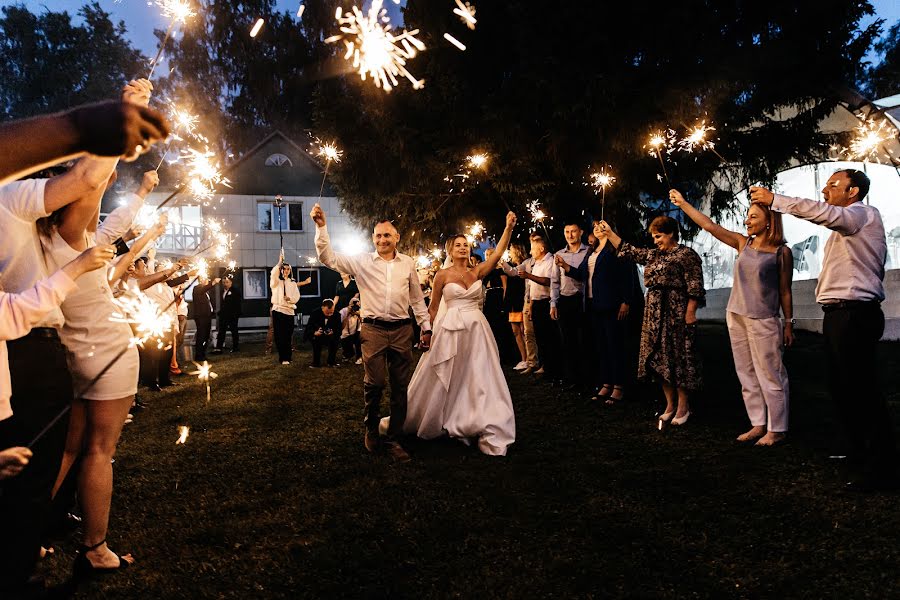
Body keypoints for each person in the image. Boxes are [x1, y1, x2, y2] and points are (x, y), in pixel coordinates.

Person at [0, 80, 164, 594]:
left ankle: (35, 538)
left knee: (57, 451)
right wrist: (128, 109)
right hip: (80, 350)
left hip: (52, 351)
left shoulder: (56, 237)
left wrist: (137, 197)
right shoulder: (58, 229)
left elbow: (102, 204)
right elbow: (92, 179)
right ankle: (89, 545)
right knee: (95, 450)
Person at [751, 171, 898, 490]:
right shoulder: (847, 226)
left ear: (853, 191)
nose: (825, 189)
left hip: (855, 315)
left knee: (861, 389)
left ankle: (883, 466)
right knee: (841, 387)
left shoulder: (862, 214)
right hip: (839, 315)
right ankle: (860, 452)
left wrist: (777, 201)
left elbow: (824, 213)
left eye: (833, 185)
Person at [387, 212, 518, 456]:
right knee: (448, 374)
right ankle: (440, 415)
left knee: (478, 374)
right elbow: (433, 307)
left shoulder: (477, 272)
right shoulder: (442, 276)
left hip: (477, 330)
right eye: (458, 245)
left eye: (465, 245)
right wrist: (426, 332)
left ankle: (476, 417)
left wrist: (508, 228)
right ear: (450, 250)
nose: (462, 248)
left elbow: (498, 254)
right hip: (450, 329)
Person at [671, 189, 793, 446]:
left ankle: (777, 428)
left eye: (753, 217)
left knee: (770, 373)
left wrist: (789, 323)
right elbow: (709, 226)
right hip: (735, 315)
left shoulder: (781, 252)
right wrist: (683, 203)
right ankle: (758, 423)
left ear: (769, 220)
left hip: (764, 318)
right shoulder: (742, 243)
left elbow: (784, 290)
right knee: (746, 372)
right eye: (747, 217)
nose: (747, 221)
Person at [311, 204, 431, 462]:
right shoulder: (362, 262)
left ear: (396, 238)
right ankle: (371, 427)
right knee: (375, 383)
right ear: (373, 238)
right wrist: (321, 227)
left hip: (402, 330)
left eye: (387, 235)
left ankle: (394, 439)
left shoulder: (408, 263)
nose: (382, 239)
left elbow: (417, 298)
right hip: (373, 330)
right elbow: (328, 257)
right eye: (377, 235)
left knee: (400, 388)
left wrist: (426, 326)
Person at [598, 217, 705, 425]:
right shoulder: (654, 255)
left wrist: (690, 312)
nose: (655, 241)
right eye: (654, 237)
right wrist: (610, 233)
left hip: (676, 312)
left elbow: (695, 285)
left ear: (671, 233)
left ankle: (684, 407)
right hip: (654, 314)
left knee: (678, 357)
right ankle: (669, 405)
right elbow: (629, 251)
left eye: (659, 236)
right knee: (658, 359)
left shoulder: (686, 255)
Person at [558, 220, 636, 404]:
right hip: (593, 305)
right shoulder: (592, 252)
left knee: (614, 345)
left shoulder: (614, 250)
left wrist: (626, 301)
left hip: (611, 304)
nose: (597, 229)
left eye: (601, 226)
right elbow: (582, 274)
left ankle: (619, 386)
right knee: (601, 346)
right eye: (595, 227)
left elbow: (627, 275)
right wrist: (565, 266)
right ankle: (606, 383)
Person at [517, 232, 562, 385]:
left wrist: (529, 276)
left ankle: (553, 369)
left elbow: (549, 281)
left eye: (533, 249)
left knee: (549, 338)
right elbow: (532, 288)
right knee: (540, 338)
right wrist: (530, 305)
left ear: (542, 248)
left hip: (547, 303)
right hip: (536, 304)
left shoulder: (550, 261)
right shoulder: (537, 263)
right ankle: (545, 366)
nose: (530, 252)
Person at [551, 218, 590, 389]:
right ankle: (571, 377)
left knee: (584, 340)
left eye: (573, 231)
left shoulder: (588, 252)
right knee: (567, 341)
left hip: (582, 300)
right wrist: (553, 303)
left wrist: (566, 266)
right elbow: (555, 281)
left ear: (581, 232)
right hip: (565, 301)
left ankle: (586, 377)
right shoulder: (559, 254)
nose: (570, 235)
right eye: (567, 232)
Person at [501, 244, 530, 371]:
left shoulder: (525, 264)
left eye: (511, 250)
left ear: (517, 251)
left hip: (520, 301)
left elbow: (514, 274)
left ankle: (530, 359)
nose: (509, 253)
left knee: (524, 331)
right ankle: (523, 359)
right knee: (516, 331)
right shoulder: (511, 265)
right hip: (512, 302)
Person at [270, 251, 301, 365]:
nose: (286, 271)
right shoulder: (276, 282)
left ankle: (288, 356)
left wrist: (290, 299)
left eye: (288, 269)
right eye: (284, 268)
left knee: (288, 335)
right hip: (278, 310)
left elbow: (297, 296)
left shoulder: (292, 282)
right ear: (281, 270)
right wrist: (279, 262)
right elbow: (273, 274)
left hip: (289, 311)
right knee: (279, 335)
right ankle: (282, 357)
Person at [304, 299, 342, 368]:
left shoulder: (337, 315)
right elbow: (309, 326)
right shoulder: (315, 313)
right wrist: (315, 332)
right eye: (327, 313)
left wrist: (333, 332)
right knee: (316, 342)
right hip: (318, 335)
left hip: (331, 336)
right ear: (322, 308)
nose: (330, 315)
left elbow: (339, 329)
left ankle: (331, 362)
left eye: (331, 312)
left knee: (335, 340)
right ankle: (316, 363)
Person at [192, 273, 221, 362]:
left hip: (207, 316)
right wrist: (213, 283)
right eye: (206, 279)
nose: (207, 280)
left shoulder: (205, 292)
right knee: (201, 335)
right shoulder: (197, 288)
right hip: (201, 316)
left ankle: (203, 354)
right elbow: (204, 288)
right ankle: (199, 355)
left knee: (206, 336)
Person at [214, 276, 241, 353]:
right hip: (224, 315)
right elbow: (224, 304)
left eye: (227, 282)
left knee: (234, 331)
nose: (225, 284)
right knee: (221, 331)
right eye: (223, 283)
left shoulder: (235, 291)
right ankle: (219, 348)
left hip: (232, 315)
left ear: (231, 282)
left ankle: (236, 347)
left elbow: (236, 304)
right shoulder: (223, 291)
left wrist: (236, 314)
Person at [340, 298, 363, 364]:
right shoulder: (343, 311)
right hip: (346, 333)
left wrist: (359, 315)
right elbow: (341, 326)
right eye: (353, 306)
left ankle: (359, 357)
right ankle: (347, 355)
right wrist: (347, 315)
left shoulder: (361, 311)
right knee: (346, 341)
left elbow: (363, 324)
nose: (354, 308)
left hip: (356, 332)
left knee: (360, 338)